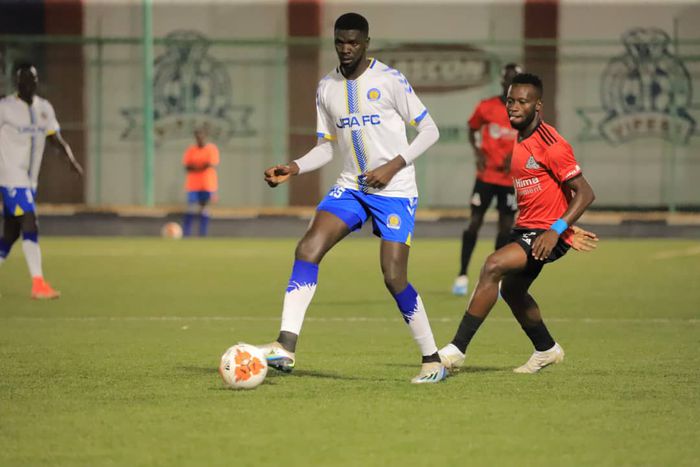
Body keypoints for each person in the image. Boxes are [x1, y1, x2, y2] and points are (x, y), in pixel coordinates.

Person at [259, 13, 446, 383]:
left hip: (395, 190)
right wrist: (294, 167)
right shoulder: (325, 88)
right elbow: (327, 147)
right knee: (307, 248)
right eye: (340, 42)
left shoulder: (390, 80)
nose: (346, 49)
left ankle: (433, 360)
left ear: (366, 43)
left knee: (394, 277)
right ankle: (285, 346)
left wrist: (393, 166)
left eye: (353, 42)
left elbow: (430, 130)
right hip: (352, 187)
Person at [439, 73, 596, 373]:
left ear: (538, 106)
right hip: (528, 228)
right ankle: (546, 348)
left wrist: (558, 231)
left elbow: (585, 193)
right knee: (512, 291)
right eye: (511, 101)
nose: (513, 107)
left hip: (545, 234)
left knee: (492, 265)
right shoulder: (520, 137)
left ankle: (456, 350)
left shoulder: (551, 143)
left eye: (522, 102)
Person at [0, 63, 84, 299]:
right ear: (17, 82)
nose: (29, 84)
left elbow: (54, 137)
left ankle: (38, 283)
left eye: (33, 79)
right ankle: (38, 284)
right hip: (10, 177)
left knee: (10, 235)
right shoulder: (5, 107)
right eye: (24, 80)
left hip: (30, 182)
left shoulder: (44, 108)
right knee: (30, 222)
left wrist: (71, 160)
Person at [452, 63, 522, 296]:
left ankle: (496, 279)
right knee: (474, 224)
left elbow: (531, 136)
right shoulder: (487, 106)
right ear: (503, 82)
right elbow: (472, 128)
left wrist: (516, 154)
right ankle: (462, 275)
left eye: (517, 80)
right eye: (509, 80)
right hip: (486, 176)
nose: (512, 85)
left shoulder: (525, 111)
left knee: (506, 228)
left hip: (509, 179)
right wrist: (478, 152)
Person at [182, 127, 219, 237]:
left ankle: (203, 233)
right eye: (197, 136)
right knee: (191, 208)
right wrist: (200, 166)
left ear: (205, 137)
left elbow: (210, 165)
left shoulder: (211, 149)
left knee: (204, 208)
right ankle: (187, 233)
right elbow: (187, 166)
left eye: (201, 136)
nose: (199, 138)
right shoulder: (191, 150)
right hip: (193, 185)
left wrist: (196, 167)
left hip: (207, 184)